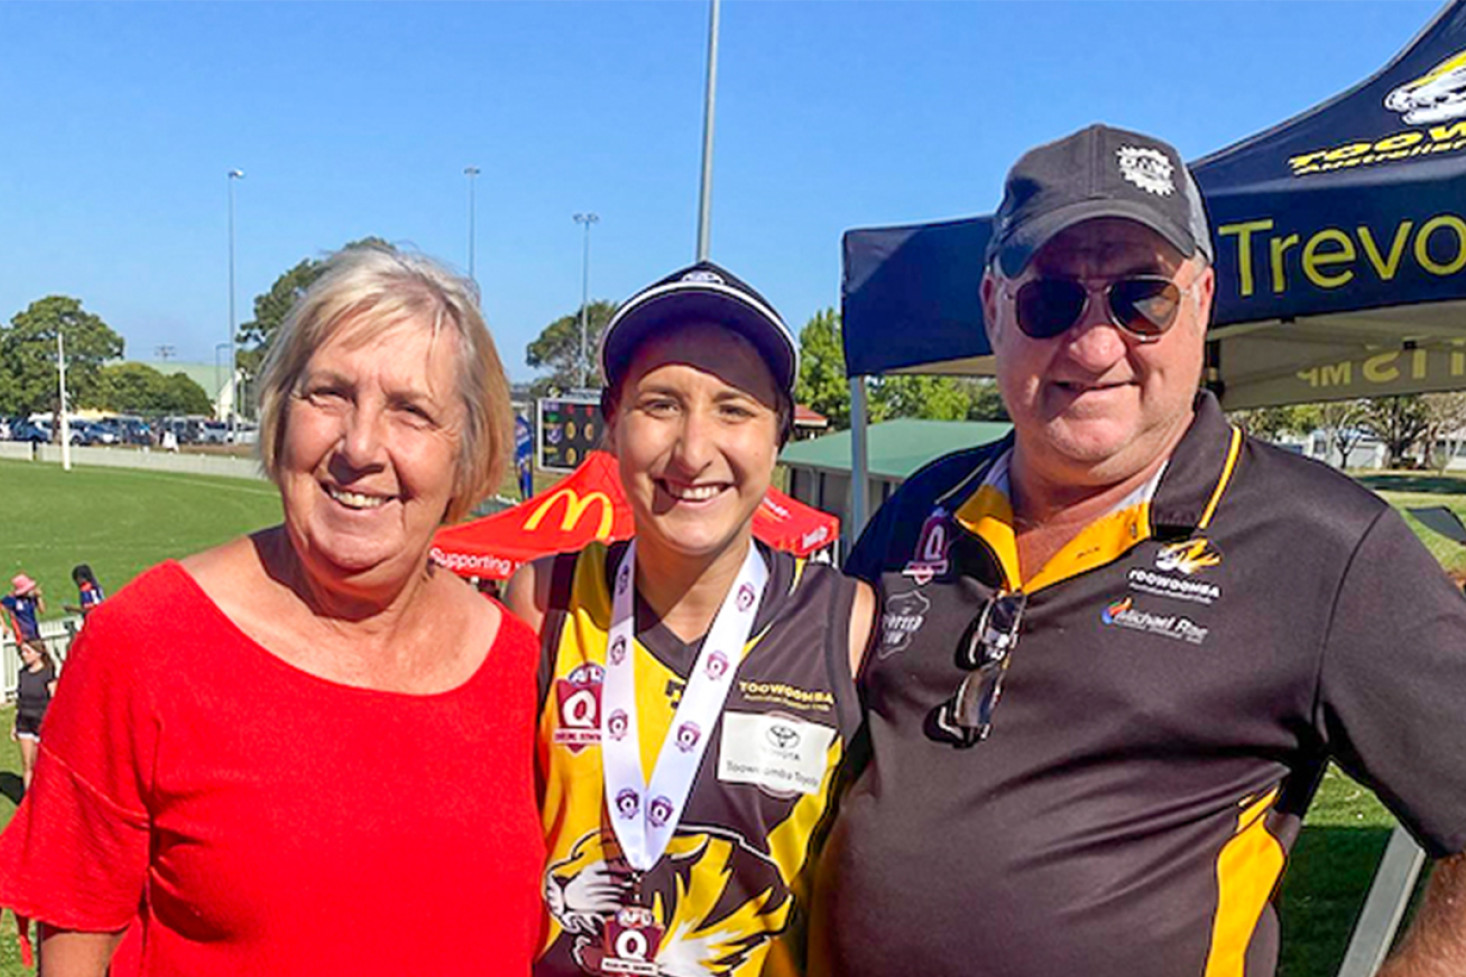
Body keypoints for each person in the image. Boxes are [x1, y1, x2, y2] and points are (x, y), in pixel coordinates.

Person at [810, 124, 1466, 977]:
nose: (1092, 344)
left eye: (1139, 297)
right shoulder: (923, 508)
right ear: (992, 308)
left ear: (1201, 300)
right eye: (1050, 300)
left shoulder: (1324, 544)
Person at [0, 246, 544, 975]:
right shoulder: (147, 640)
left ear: (468, 453)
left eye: (411, 410)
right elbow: (74, 924)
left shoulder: (525, 667)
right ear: (279, 413)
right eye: (328, 394)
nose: (359, 445)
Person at [507, 261, 876, 977]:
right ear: (612, 423)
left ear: (780, 432)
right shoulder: (543, 598)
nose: (694, 450)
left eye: (733, 408)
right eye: (661, 404)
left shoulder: (848, 624)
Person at [11, 639, 57, 792]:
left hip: (41, 722)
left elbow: (54, 699)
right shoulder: (23, 674)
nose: (24, 655)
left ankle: (43, 796)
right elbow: (20, 699)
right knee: (27, 763)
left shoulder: (47, 673)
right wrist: (14, 724)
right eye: (22, 652)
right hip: (24, 721)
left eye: (27, 651)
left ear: (38, 653)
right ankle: (28, 801)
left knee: (38, 763)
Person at [2, 574, 45, 645]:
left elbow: (42, 610)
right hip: (22, 637)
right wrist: (3, 624)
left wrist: (38, 597)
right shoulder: (13, 599)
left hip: (35, 634)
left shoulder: (31, 599)